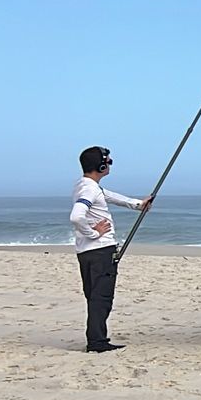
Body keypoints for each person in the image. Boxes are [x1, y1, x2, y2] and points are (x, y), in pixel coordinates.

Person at [67, 146, 151, 353]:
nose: (110, 164)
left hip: (86, 252)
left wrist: (137, 204)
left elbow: (109, 196)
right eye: (109, 161)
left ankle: (97, 338)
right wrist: (94, 232)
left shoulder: (85, 186)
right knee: (101, 298)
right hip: (100, 250)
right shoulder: (89, 189)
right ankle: (97, 342)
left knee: (94, 296)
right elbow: (76, 216)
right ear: (101, 165)